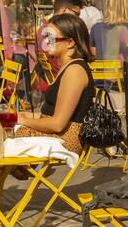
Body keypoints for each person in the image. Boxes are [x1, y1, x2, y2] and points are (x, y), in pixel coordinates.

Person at [14, 12, 93, 153]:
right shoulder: (68, 67)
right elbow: (52, 113)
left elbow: (57, 124)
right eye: (45, 37)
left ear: (70, 42)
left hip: (66, 139)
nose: (45, 42)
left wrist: (22, 120)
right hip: (57, 135)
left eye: (51, 38)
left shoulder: (74, 71)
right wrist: (27, 115)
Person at [89, 0, 128, 81]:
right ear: (127, 6)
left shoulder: (96, 28)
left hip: (102, 87)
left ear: (107, 6)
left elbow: (96, 55)